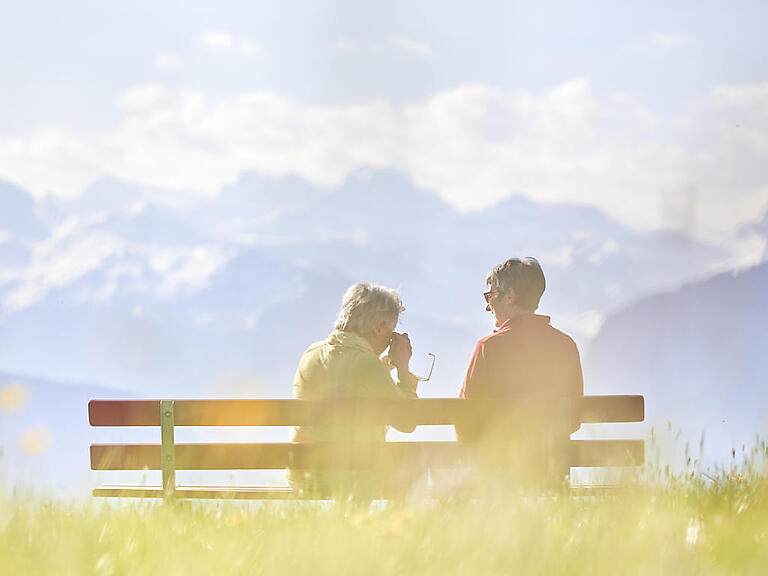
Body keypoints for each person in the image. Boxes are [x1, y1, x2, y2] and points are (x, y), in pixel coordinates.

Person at [288, 282, 419, 498]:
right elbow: (407, 422)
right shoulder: (366, 364)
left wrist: (381, 370)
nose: (391, 339)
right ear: (379, 328)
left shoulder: (311, 353)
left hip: (305, 474)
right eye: (391, 331)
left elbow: (341, 382)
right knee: (417, 462)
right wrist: (403, 369)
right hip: (351, 475)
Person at [458, 257, 583, 443]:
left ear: (510, 296)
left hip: (498, 459)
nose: (487, 306)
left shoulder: (488, 348)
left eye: (490, 296)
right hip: (553, 458)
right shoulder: (566, 346)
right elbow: (574, 419)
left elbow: (464, 421)